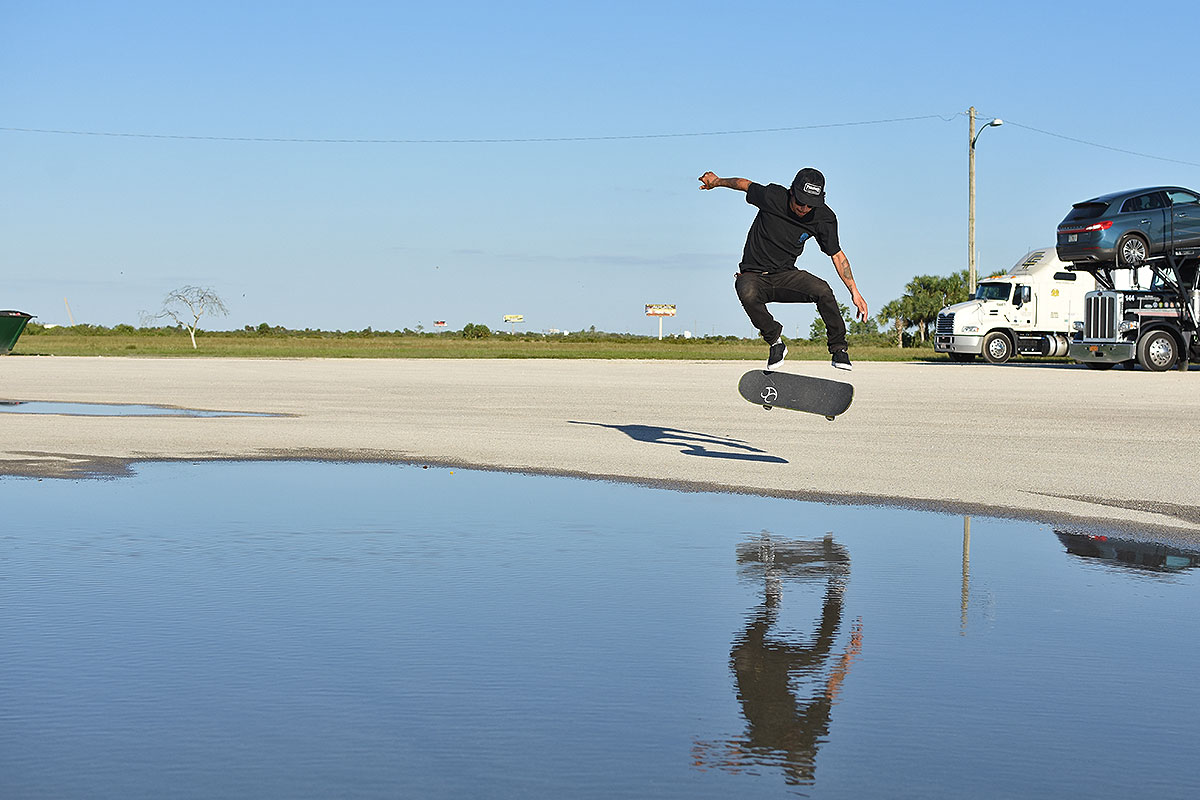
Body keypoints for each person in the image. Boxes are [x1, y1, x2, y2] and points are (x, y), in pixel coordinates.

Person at [699, 168, 868, 371]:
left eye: (810, 205)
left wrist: (855, 292)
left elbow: (837, 255)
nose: (804, 208)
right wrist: (716, 181)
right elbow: (743, 184)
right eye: (800, 202)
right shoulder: (773, 196)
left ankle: (839, 350)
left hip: (785, 275)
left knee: (823, 290)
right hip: (753, 275)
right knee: (746, 289)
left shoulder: (824, 218)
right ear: (791, 192)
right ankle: (776, 343)